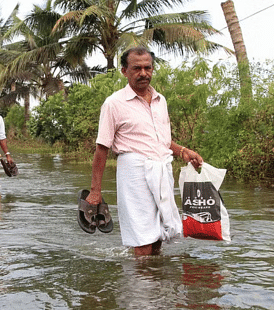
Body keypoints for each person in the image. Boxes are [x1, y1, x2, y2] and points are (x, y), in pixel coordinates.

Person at [85, 47, 203, 256]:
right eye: (136, 68)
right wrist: (95, 191)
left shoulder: (161, 100)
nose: (143, 73)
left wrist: (183, 150)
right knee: (142, 239)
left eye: (147, 68)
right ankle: (140, 286)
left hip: (161, 170)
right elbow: (102, 148)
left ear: (152, 69)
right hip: (134, 173)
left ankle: (155, 283)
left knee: (159, 237)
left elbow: (162, 140)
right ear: (124, 71)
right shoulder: (114, 103)